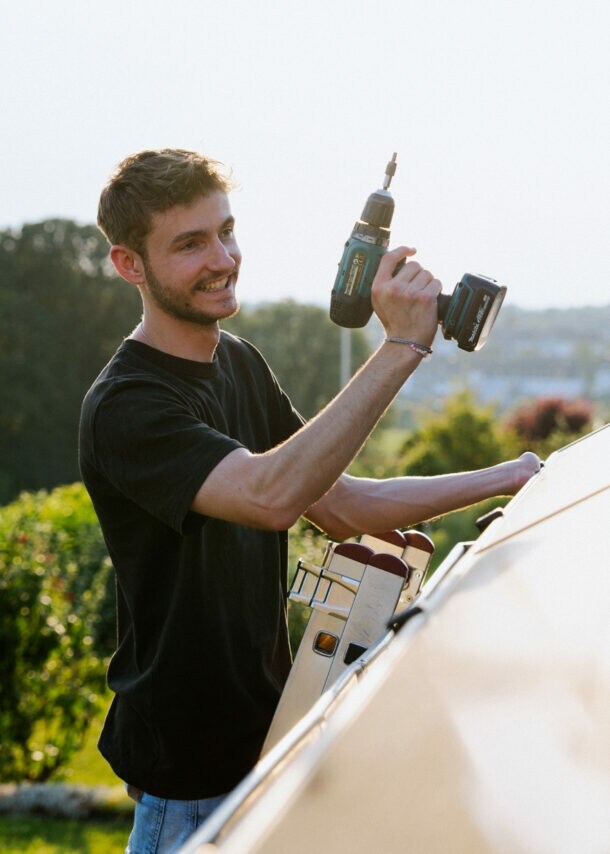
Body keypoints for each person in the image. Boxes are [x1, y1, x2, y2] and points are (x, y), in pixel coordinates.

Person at [79, 148, 540, 853]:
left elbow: (342, 504)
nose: (223, 258)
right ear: (128, 264)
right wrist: (402, 348)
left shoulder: (238, 362)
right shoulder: (128, 406)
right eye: (191, 244)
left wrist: (508, 478)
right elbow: (272, 496)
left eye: (226, 231)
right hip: (190, 776)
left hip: (265, 737)